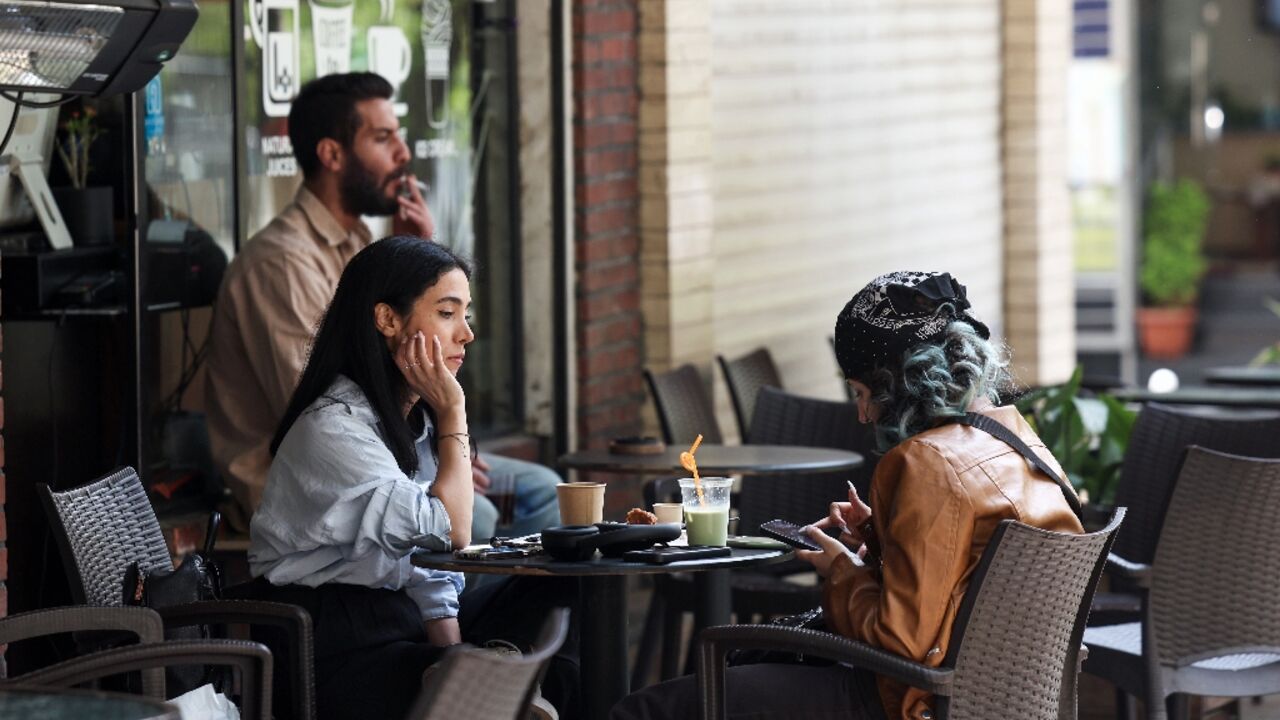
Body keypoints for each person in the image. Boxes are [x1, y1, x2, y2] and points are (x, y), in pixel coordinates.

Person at [611, 271, 1084, 720]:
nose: (861, 414)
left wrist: (839, 567)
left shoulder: (926, 462)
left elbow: (898, 641)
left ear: (897, 385)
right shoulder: (1019, 440)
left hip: (908, 701)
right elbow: (962, 579)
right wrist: (882, 539)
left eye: (860, 393)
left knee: (648, 708)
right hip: (998, 700)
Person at [204, 72, 559, 539]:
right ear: (332, 154)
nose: (403, 154)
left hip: (393, 448)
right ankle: (449, 614)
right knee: (480, 517)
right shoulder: (280, 264)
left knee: (544, 489)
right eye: (383, 138)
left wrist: (420, 264)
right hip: (316, 487)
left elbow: (417, 355)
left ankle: (490, 611)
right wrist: (443, 449)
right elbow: (322, 403)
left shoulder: (359, 240)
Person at [249, 238, 574, 720]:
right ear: (388, 320)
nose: (466, 333)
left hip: (399, 628)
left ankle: (495, 676)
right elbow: (451, 528)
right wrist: (454, 410)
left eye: (467, 315)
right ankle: (498, 685)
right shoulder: (332, 427)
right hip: (331, 646)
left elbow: (433, 569)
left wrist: (451, 652)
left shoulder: (411, 422)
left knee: (563, 585)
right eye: (447, 313)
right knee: (522, 674)